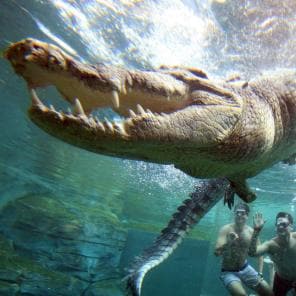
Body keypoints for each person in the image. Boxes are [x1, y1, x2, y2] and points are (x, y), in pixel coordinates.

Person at [214, 202, 273, 296]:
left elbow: (259, 254)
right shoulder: (226, 229)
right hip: (228, 271)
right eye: (237, 212)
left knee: (268, 293)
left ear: (248, 215)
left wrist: (260, 273)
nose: (239, 215)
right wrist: (229, 242)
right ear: (234, 213)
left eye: (242, 213)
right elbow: (216, 252)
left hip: (245, 268)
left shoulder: (251, 231)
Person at [249, 211, 296, 296]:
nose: (280, 227)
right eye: (278, 224)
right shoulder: (270, 245)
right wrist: (256, 231)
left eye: (284, 224)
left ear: (291, 226)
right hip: (281, 279)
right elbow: (252, 253)